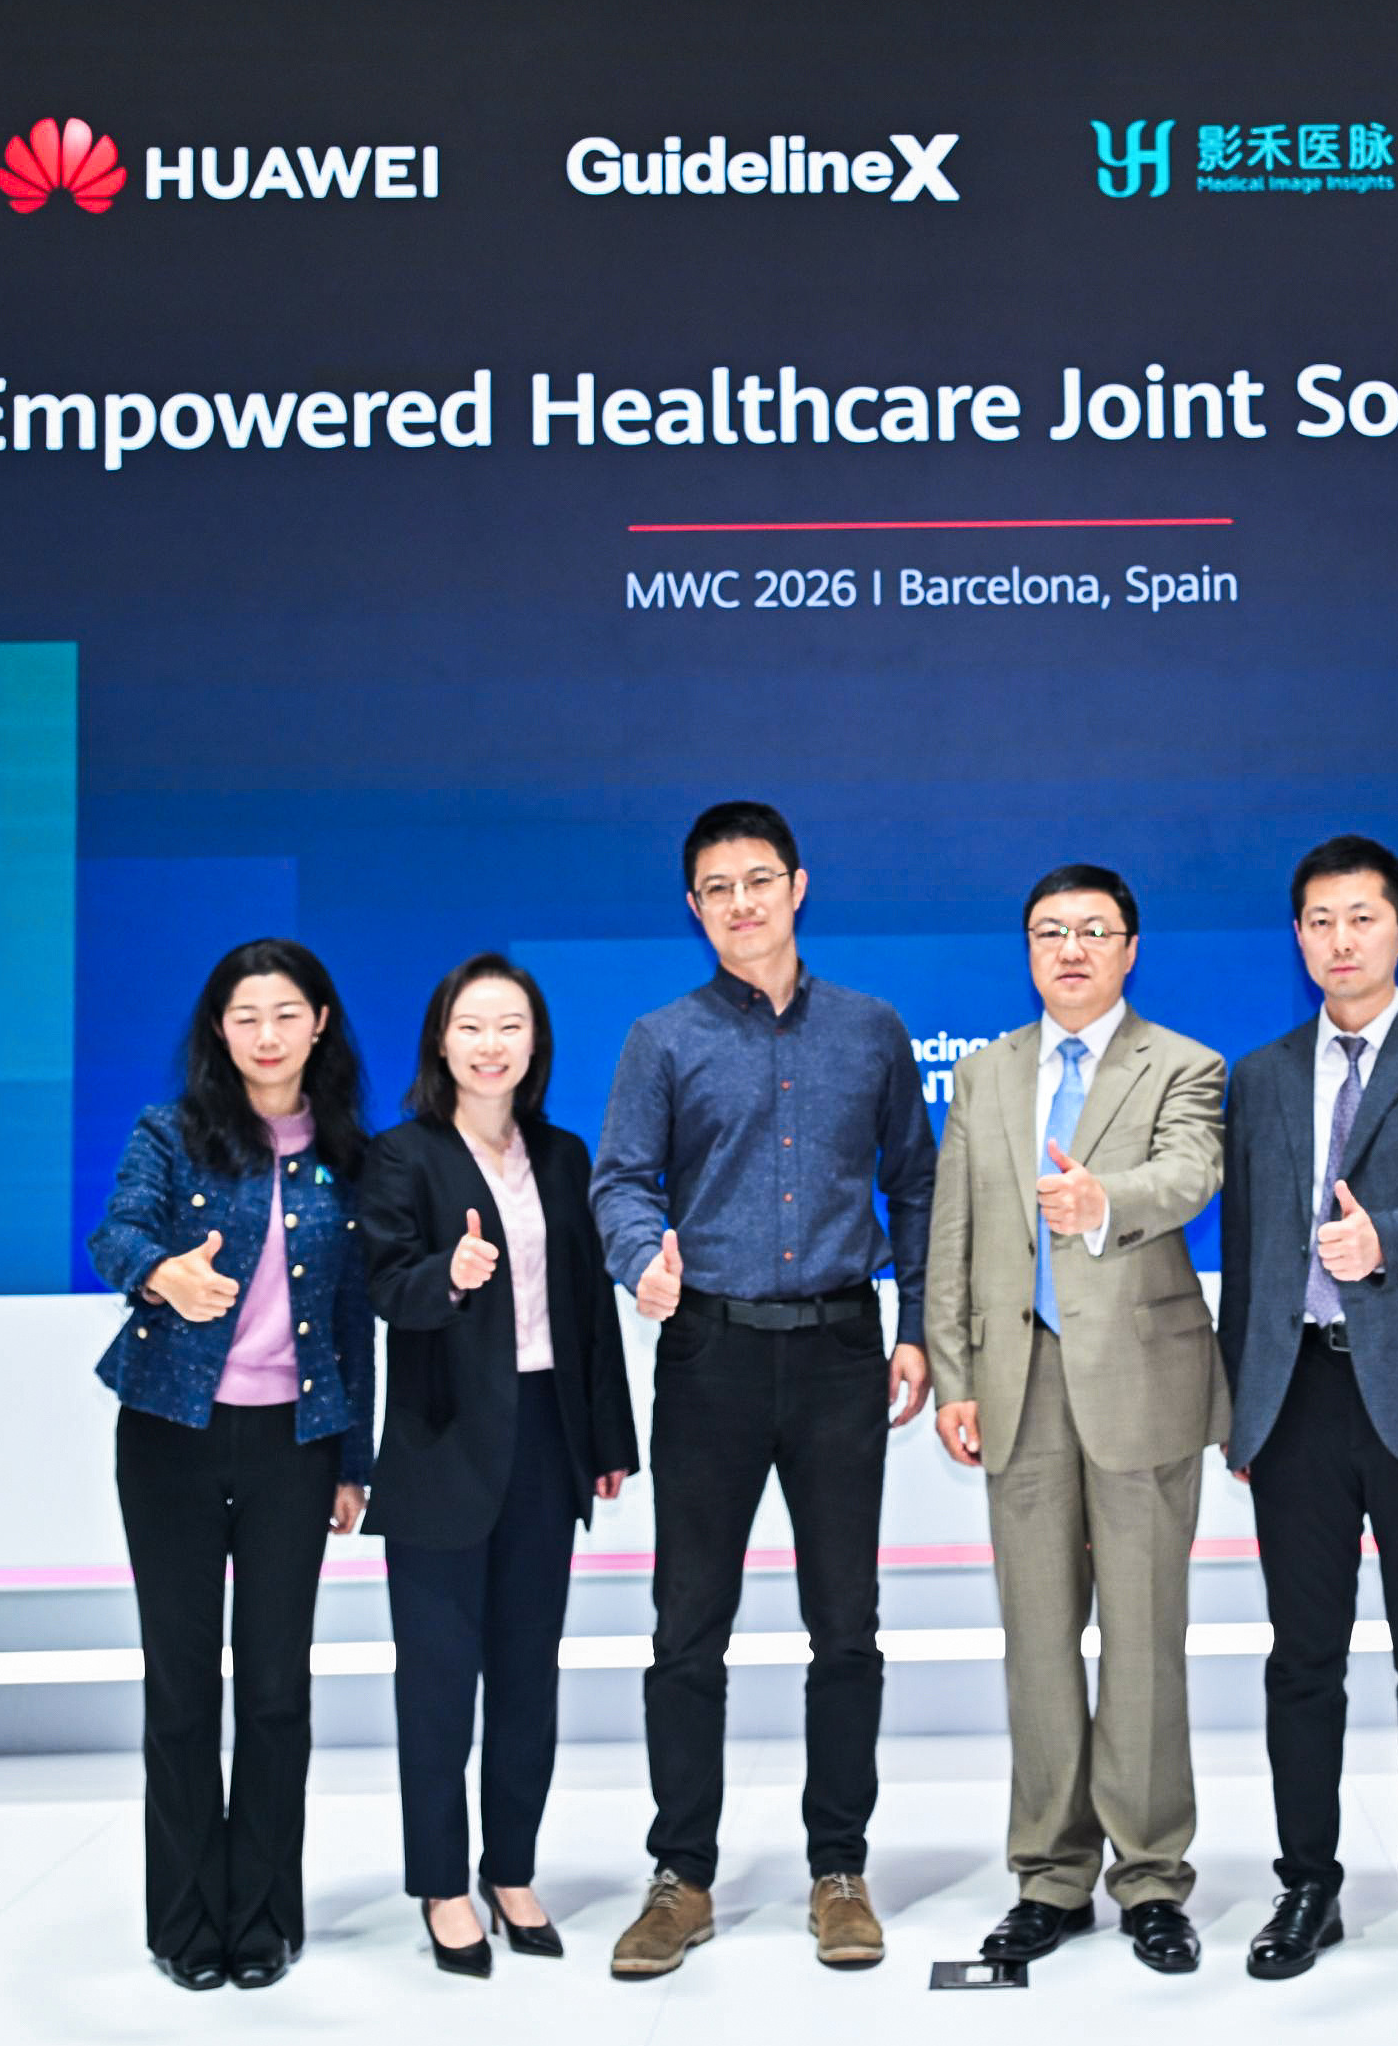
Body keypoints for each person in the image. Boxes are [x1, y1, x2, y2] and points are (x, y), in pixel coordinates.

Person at [592, 801, 940, 1978]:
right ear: (694, 908)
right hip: (711, 1352)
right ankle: (680, 1876)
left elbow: (917, 1186)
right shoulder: (661, 1039)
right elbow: (621, 1180)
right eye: (716, 888)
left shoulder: (872, 1029)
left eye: (758, 880)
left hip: (842, 1352)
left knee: (846, 1625)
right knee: (688, 1626)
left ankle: (839, 1869)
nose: (740, 903)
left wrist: (915, 1329)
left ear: (798, 885)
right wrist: (640, 1258)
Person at [1215, 834, 1398, 1984]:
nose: (1340, 940)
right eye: (1319, 920)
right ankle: (1308, 1883)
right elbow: (1248, 1253)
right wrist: (1242, 1407)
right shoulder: (1261, 1075)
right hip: (1295, 1393)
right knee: (1304, 1657)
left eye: (1361, 917)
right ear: (1298, 937)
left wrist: (1382, 1238)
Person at [928, 863, 1229, 1976]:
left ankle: (1150, 1876)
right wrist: (955, 1375)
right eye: (1050, 932)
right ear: (1027, 950)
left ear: (1130, 949)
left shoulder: (1184, 1063)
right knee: (1038, 1641)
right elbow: (953, 1231)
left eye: (1094, 931)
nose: (1070, 950)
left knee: (1144, 1641)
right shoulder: (986, 1072)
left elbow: (1191, 1173)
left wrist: (1106, 1201)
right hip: (1017, 1382)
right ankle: (1050, 1875)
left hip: (1141, 1380)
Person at [86, 938, 377, 1994]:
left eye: (286, 1013)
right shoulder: (170, 1133)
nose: (267, 1034)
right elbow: (115, 1234)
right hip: (171, 1435)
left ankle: (261, 1919)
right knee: (179, 1689)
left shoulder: (350, 1155)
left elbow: (354, 1320)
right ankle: (184, 1922)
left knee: (275, 1690)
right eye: (246, 1015)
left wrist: (354, 1461)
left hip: (295, 1449)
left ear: (320, 1023)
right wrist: (161, 1273)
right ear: (220, 1028)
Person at [356, 955, 643, 1978]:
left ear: (535, 1042)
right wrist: (451, 1273)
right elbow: (386, 1287)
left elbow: (589, 1308)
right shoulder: (402, 1155)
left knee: (528, 1675)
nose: (491, 1045)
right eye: (471, 1026)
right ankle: (443, 1884)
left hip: (544, 1441)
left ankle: (511, 1869)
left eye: (510, 1025)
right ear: (442, 1040)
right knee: (437, 1683)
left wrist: (607, 1439)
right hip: (440, 1449)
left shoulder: (561, 1156)